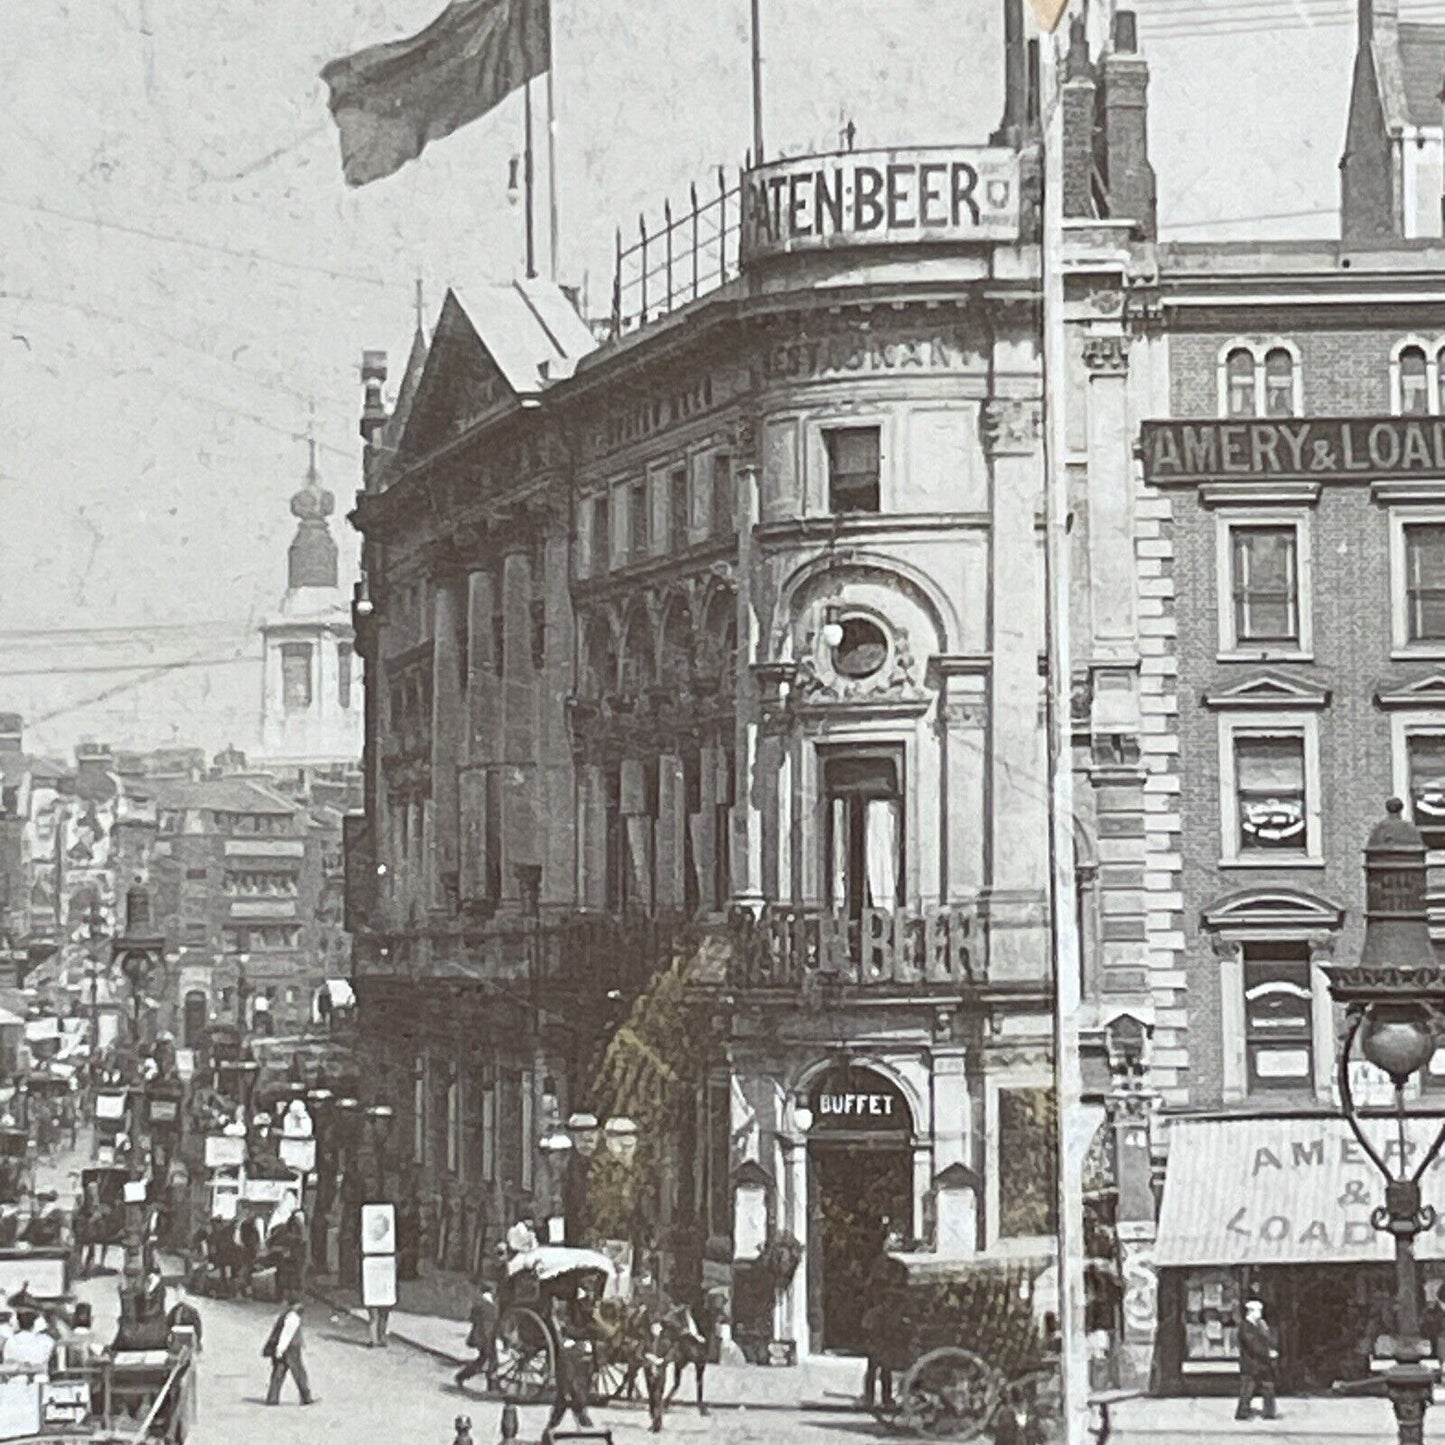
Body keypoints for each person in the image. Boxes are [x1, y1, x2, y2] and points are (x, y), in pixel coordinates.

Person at [542, 1295, 595, 1442]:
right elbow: (557, 1342)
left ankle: (549, 1431)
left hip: (571, 1363)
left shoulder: (564, 1321)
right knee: (569, 1396)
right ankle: (586, 1429)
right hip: (566, 1363)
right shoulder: (553, 1322)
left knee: (567, 1398)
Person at [262, 1297, 315, 1406]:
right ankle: (306, 1398)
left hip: (284, 1348)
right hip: (291, 1348)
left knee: (278, 1373)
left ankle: (272, 1398)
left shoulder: (286, 1315)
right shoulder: (293, 1317)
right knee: (299, 1373)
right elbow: (286, 1334)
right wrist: (280, 1349)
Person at [1236, 1298, 1279, 1422]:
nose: (1260, 1313)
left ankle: (1269, 1412)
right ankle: (1242, 1412)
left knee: (1268, 1387)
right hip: (1251, 1363)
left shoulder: (1260, 1325)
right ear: (1250, 1312)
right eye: (1258, 1311)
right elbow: (1252, 1344)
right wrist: (1267, 1353)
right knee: (1248, 1388)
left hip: (1263, 1363)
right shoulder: (1245, 1327)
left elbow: (1269, 1339)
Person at [454, 1283, 498, 1391]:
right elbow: (475, 1319)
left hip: (488, 1335)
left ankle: (490, 1385)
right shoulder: (483, 1304)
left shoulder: (490, 1304)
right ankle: (462, 1376)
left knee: (487, 1360)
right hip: (482, 1335)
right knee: (487, 1360)